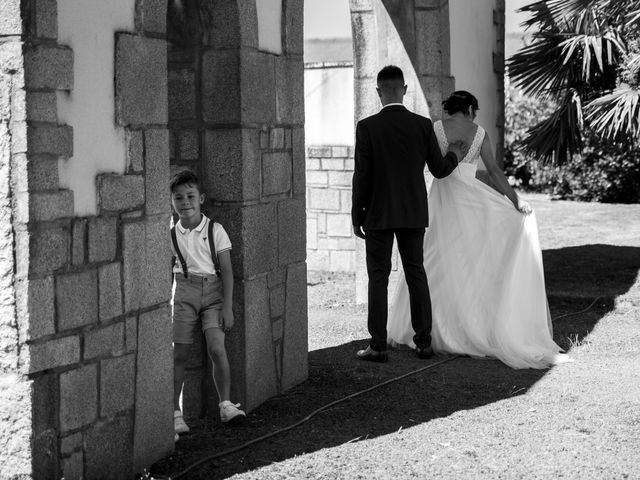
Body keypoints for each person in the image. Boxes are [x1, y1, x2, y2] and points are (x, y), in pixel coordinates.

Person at [387, 90, 570, 369]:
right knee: (468, 262)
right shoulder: (479, 133)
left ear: (451, 108)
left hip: (440, 198)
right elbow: (495, 172)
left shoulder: (435, 128)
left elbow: (428, 164)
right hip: (469, 201)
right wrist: (515, 200)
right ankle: (467, 328)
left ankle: (425, 330)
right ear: (470, 108)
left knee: (432, 261)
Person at [351, 65, 463, 363]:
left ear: (378, 92)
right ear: (404, 89)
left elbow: (361, 176)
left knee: (378, 277)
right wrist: (453, 154)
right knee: (416, 273)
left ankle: (377, 345)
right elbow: (439, 171)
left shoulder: (367, 127)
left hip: (377, 213)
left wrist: (356, 215)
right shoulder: (422, 125)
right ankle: (424, 342)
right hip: (413, 212)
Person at [170, 170, 245, 439]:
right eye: (178, 198)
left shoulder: (216, 230)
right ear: (172, 201)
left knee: (216, 347)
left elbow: (226, 270)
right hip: (185, 293)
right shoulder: (171, 233)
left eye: (190, 196)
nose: (184, 202)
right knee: (179, 353)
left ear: (201, 199)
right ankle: (174, 414)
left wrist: (227, 306)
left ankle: (225, 404)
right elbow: (167, 271)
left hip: (213, 294)